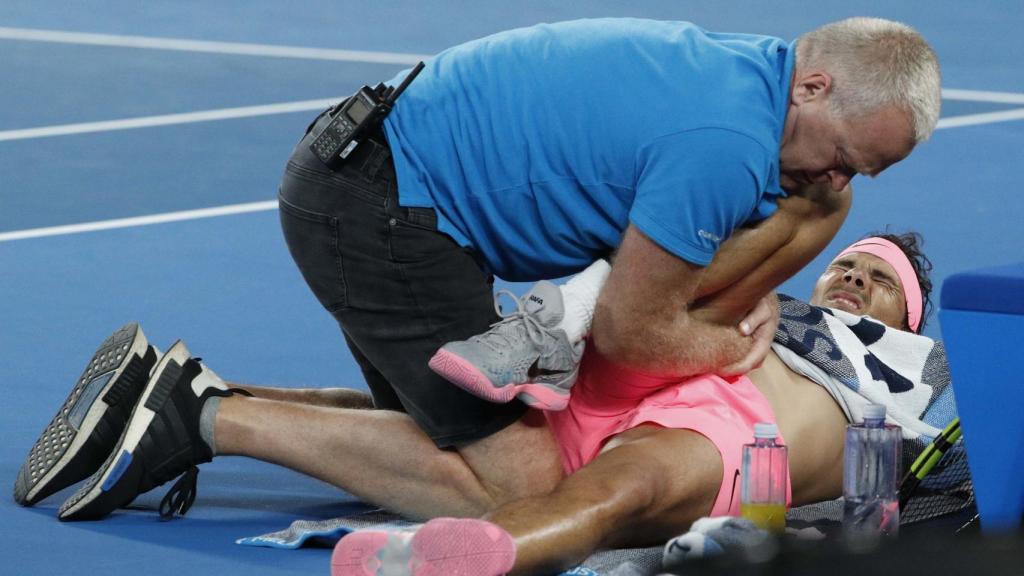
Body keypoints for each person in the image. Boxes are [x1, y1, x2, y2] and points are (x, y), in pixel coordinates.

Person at [273, 16, 941, 511]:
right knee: (524, 488)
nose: (837, 180)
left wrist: (750, 287)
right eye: (843, 157)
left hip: (374, 171)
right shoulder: (726, 148)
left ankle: (222, 395)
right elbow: (630, 336)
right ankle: (224, 421)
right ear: (813, 88)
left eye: (859, 173)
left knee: (430, 435)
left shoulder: (750, 81)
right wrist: (733, 347)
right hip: (382, 204)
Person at [13, 226, 949, 576]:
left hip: (730, 429)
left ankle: (460, 556)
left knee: (614, 489)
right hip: (629, 379)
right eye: (848, 265)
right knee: (476, 445)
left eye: (878, 281)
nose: (853, 280)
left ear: (907, 318)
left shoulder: (910, 371)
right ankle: (202, 401)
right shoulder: (773, 295)